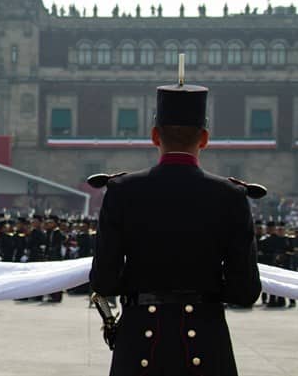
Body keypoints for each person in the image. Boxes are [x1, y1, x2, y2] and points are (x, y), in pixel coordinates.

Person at [90, 71, 262, 375]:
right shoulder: (231, 196)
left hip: (140, 343)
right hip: (206, 344)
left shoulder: (121, 191)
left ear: (155, 136)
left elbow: (104, 280)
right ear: (205, 139)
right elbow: (245, 292)